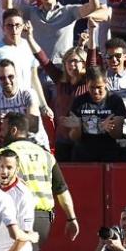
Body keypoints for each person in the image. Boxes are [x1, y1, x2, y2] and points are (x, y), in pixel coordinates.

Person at [0, 112, 78, 251]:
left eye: (3, 129)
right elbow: (62, 190)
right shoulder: (45, 154)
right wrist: (71, 218)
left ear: (13, 130)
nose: (0, 133)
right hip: (43, 220)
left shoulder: (3, 155)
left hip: (16, 217)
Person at [24, 21, 88, 162]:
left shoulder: (88, 82)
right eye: (69, 61)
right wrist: (29, 38)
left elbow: (93, 61)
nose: (72, 65)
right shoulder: (60, 79)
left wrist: (89, 37)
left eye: (76, 62)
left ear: (84, 64)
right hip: (62, 139)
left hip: (83, 139)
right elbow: (43, 59)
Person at [9, 0, 103, 66]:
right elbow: (8, 7)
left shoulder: (69, 11)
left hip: (61, 69)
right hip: (37, 68)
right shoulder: (32, 12)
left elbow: (93, 7)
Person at [88, 34, 126, 162]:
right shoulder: (99, 81)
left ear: (125, 57)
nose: (114, 60)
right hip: (103, 139)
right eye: (110, 56)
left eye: (118, 56)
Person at [0, 9, 49, 112]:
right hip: (2, 110)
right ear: (3, 28)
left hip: (27, 108)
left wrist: (44, 106)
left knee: (34, 128)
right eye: (9, 26)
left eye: (17, 25)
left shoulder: (29, 45)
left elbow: (34, 78)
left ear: (23, 26)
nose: (14, 29)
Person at [64, 66, 126, 162]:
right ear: (87, 84)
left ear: (106, 83)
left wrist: (109, 128)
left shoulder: (115, 101)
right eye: (92, 87)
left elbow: (118, 134)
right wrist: (77, 128)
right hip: (83, 155)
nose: (96, 92)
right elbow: (73, 137)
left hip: (108, 154)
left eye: (99, 87)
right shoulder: (79, 101)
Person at [0, 58, 49, 150]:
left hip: (35, 144)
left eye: (10, 76)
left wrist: (9, 122)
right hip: (9, 148)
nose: (7, 81)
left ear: (17, 75)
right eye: (2, 78)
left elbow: (33, 126)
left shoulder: (28, 94)